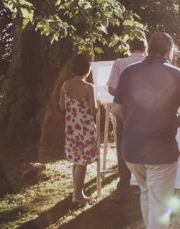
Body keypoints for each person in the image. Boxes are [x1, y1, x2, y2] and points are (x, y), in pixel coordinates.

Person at [112, 32, 180, 229]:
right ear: (169, 52)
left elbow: (116, 109)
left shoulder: (129, 72)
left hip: (132, 149)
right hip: (160, 150)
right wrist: (175, 121)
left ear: (148, 49)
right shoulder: (177, 74)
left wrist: (133, 120)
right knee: (160, 206)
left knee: (147, 195)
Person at [107, 36, 147, 201]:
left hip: (126, 111)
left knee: (124, 149)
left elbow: (111, 88)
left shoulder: (119, 63)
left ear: (130, 49)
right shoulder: (151, 63)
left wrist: (123, 97)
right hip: (146, 113)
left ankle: (124, 187)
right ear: (145, 49)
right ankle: (144, 186)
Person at [59, 54, 99, 205]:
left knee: (77, 160)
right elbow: (93, 111)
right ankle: (77, 196)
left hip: (71, 129)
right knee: (82, 162)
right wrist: (97, 103)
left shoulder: (65, 85)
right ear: (87, 69)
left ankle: (78, 192)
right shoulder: (89, 88)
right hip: (85, 129)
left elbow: (62, 107)